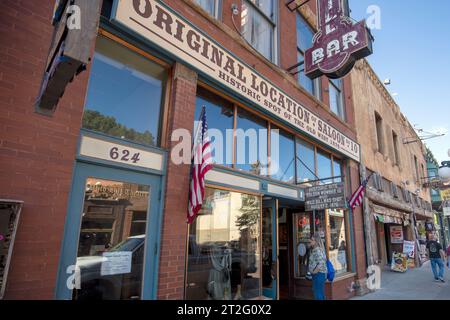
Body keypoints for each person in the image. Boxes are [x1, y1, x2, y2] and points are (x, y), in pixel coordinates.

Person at [308, 233, 328, 300]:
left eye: (312, 240)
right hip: (319, 275)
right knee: (320, 293)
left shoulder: (317, 250)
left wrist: (314, 272)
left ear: (316, 242)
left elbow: (321, 263)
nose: (310, 241)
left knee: (318, 294)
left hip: (318, 275)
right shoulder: (316, 249)